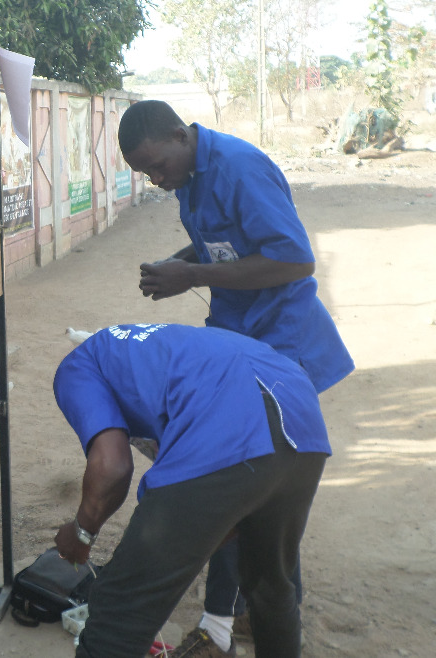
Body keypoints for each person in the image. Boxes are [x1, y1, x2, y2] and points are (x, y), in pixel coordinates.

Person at [118, 99, 353, 656]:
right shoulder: (190, 173)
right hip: (237, 335)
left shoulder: (240, 167)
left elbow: (295, 260)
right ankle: (252, 609)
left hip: (280, 344)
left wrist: (193, 273)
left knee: (239, 478)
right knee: (245, 484)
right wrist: (179, 264)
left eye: (158, 167)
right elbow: (222, 244)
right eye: (146, 174)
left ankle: (235, 617)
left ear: (181, 134)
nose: (157, 180)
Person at [53, 323, 330, 658]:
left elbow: (111, 467)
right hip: (302, 414)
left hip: (231, 419)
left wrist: (81, 532)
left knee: (120, 605)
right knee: (270, 584)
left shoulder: (78, 366)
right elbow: (204, 496)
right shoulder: (158, 354)